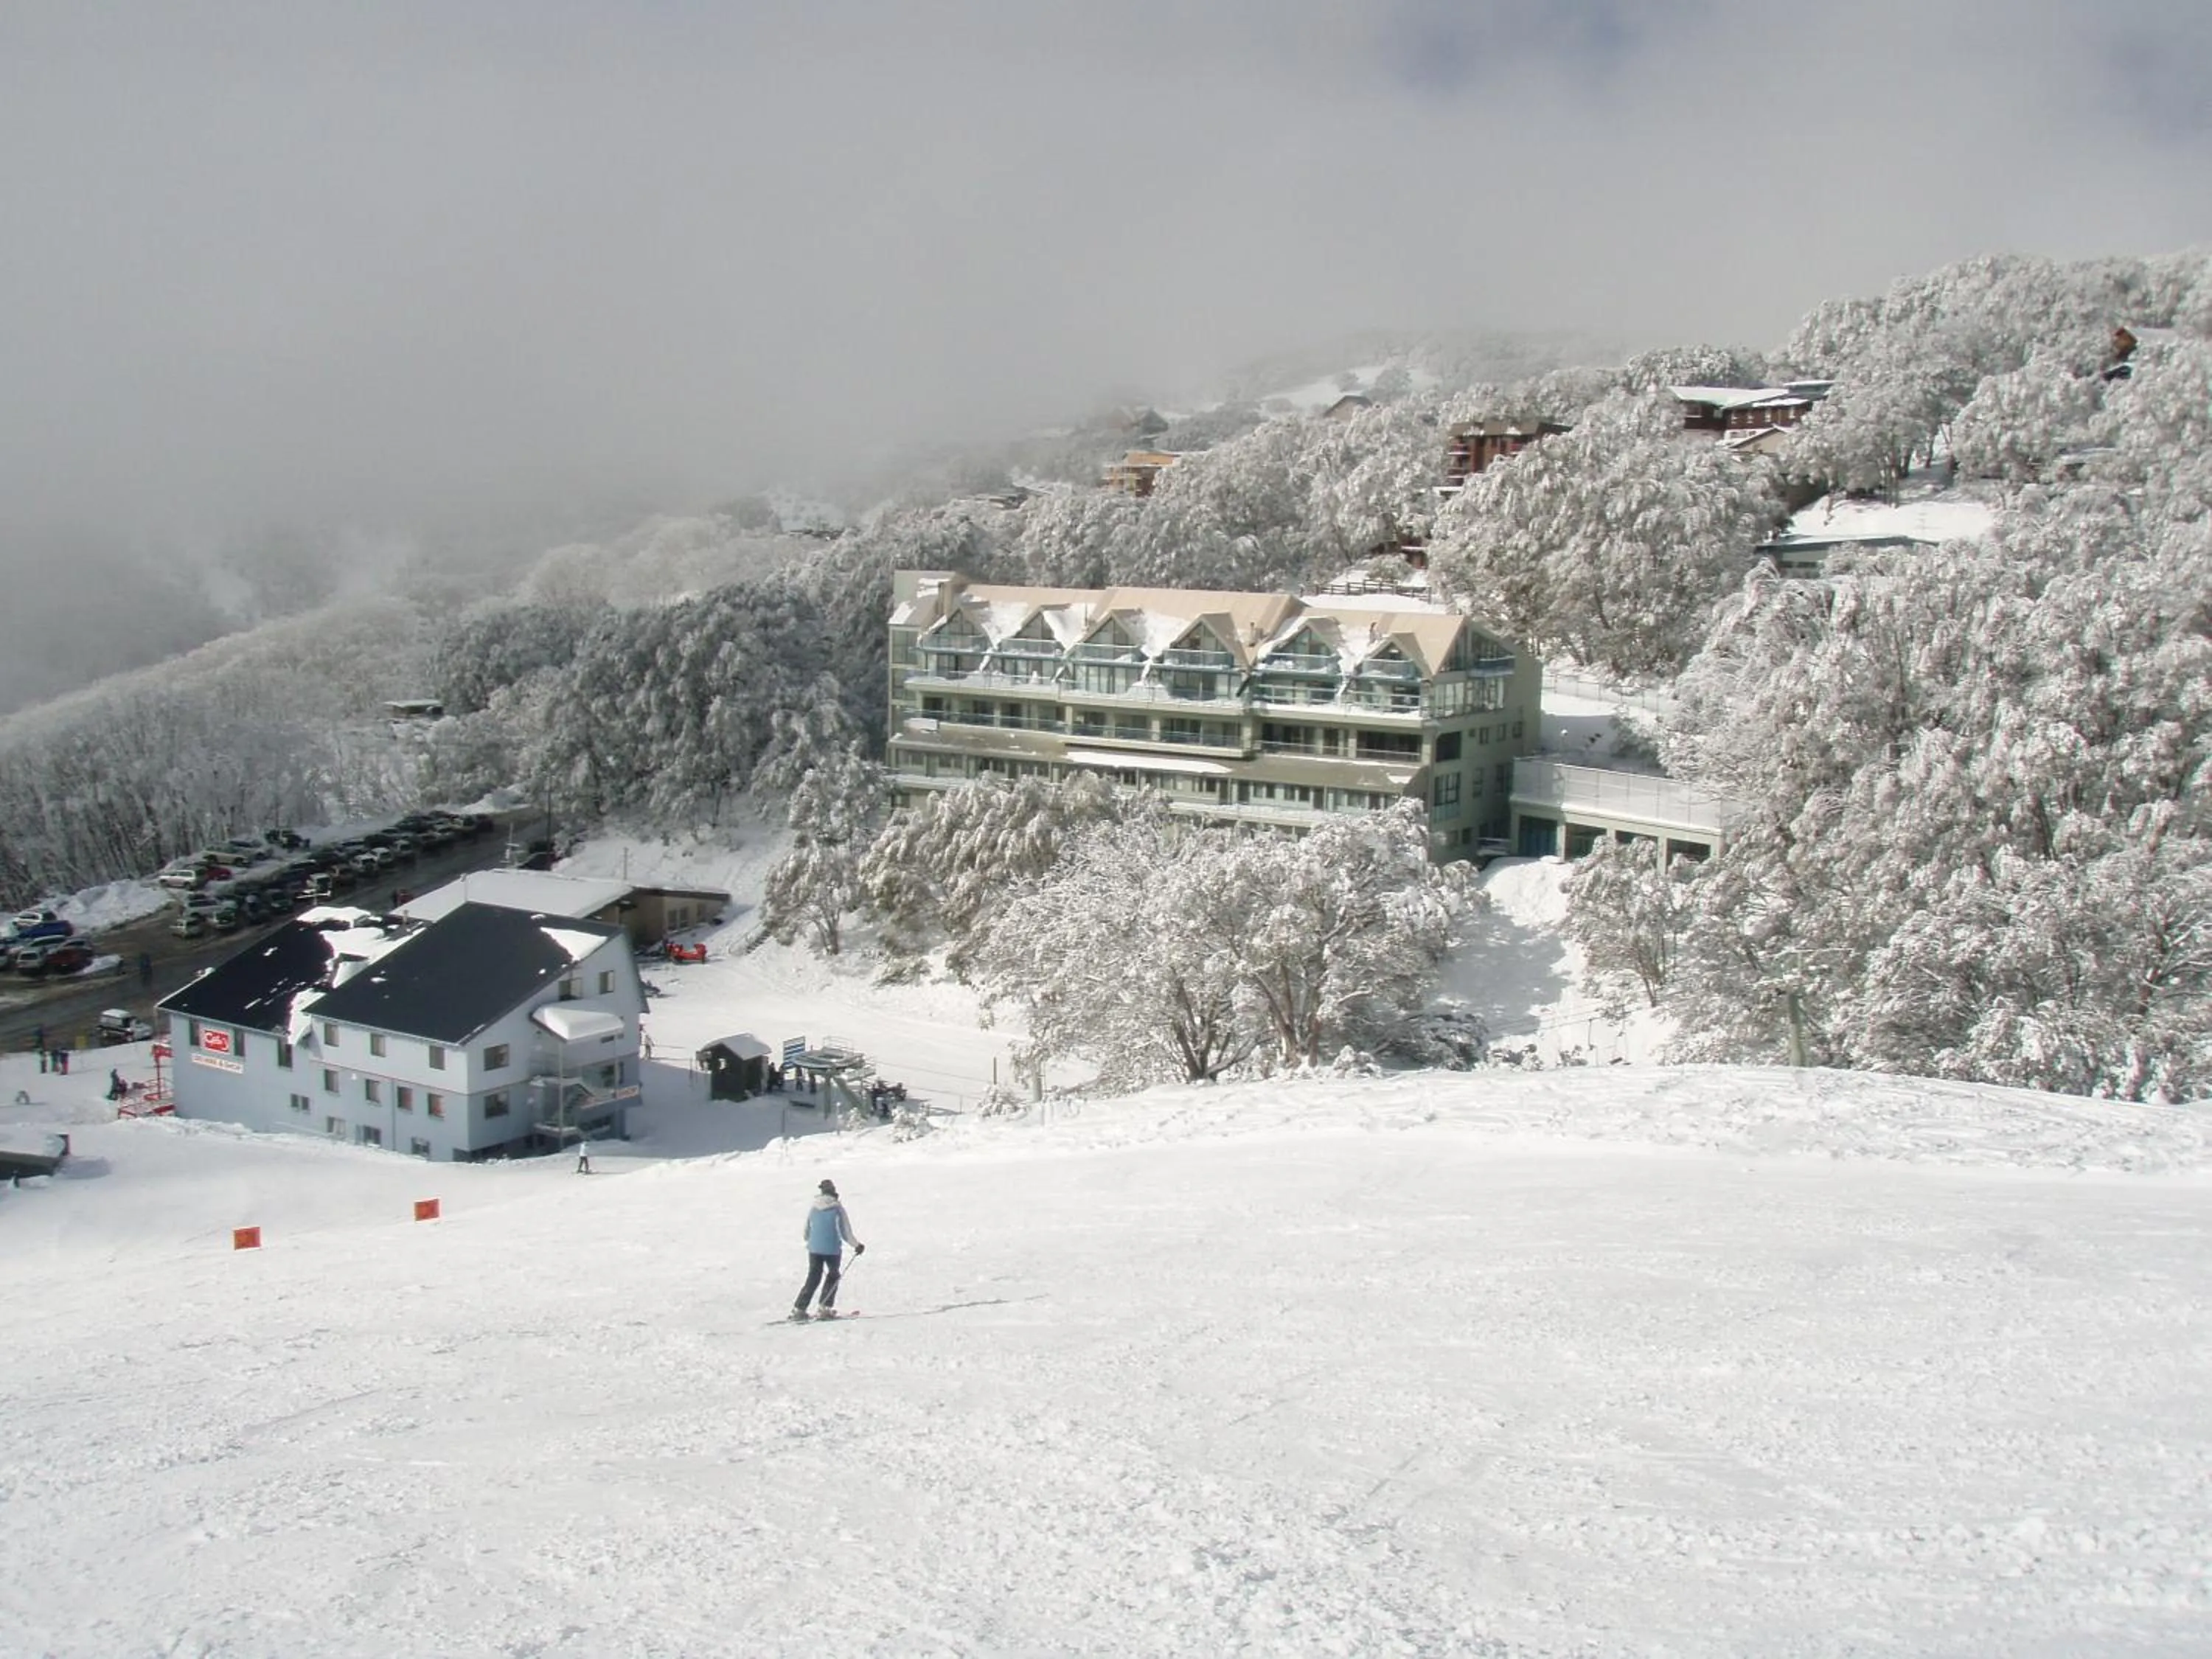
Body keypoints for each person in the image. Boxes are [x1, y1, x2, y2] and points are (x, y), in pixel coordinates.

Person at [792, 1178, 863, 1320]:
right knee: (833, 1275)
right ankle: (825, 1307)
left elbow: (806, 1232)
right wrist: (857, 1246)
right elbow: (845, 1232)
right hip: (832, 1248)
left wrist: (812, 1241)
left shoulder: (813, 1207)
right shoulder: (837, 1208)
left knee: (813, 1277)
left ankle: (800, 1308)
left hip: (814, 1248)